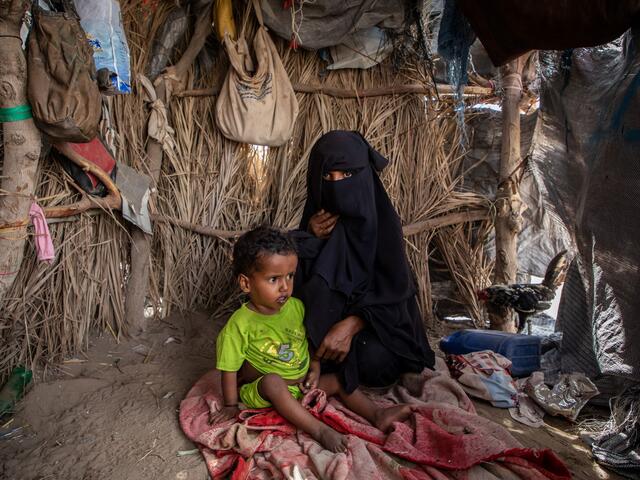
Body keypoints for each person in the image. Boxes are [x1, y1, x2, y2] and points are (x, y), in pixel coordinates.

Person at [210, 226, 412, 452]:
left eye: (290, 276)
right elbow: (229, 369)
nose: (285, 286)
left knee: (337, 380)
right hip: (264, 391)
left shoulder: (295, 307)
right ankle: (319, 430)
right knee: (272, 381)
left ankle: (376, 414)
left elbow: (305, 340)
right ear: (246, 283)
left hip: (300, 384)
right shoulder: (240, 324)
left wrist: (314, 366)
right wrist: (229, 404)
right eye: (274, 279)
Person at [293, 130, 436, 394]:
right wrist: (307, 238)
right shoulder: (317, 224)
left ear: (364, 174)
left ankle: (325, 371)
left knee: (374, 360)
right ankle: (318, 364)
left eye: (346, 175)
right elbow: (290, 287)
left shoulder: (383, 227)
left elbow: (394, 294)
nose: (337, 185)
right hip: (318, 334)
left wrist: (351, 324)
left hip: (372, 328)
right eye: (327, 176)